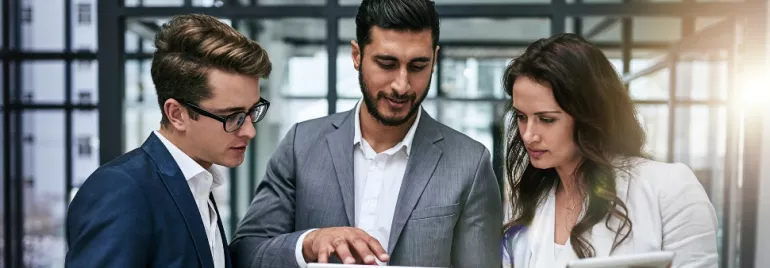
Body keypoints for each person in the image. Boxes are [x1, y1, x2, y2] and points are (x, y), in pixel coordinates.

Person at [229, 0, 502, 267]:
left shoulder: (470, 163)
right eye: (386, 63)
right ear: (357, 56)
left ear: (435, 59)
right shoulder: (301, 145)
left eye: (418, 66)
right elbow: (246, 253)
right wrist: (309, 243)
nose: (402, 85)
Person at [65, 13, 272, 268]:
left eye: (252, 111)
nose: (249, 131)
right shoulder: (122, 190)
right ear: (177, 114)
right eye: (233, 116)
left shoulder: (198, 185)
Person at [500, 33, 718, 268]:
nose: (528, 135)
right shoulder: (529, 201)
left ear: (589, 116)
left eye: (546, 119)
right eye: (522, 117)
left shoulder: (669, 188)